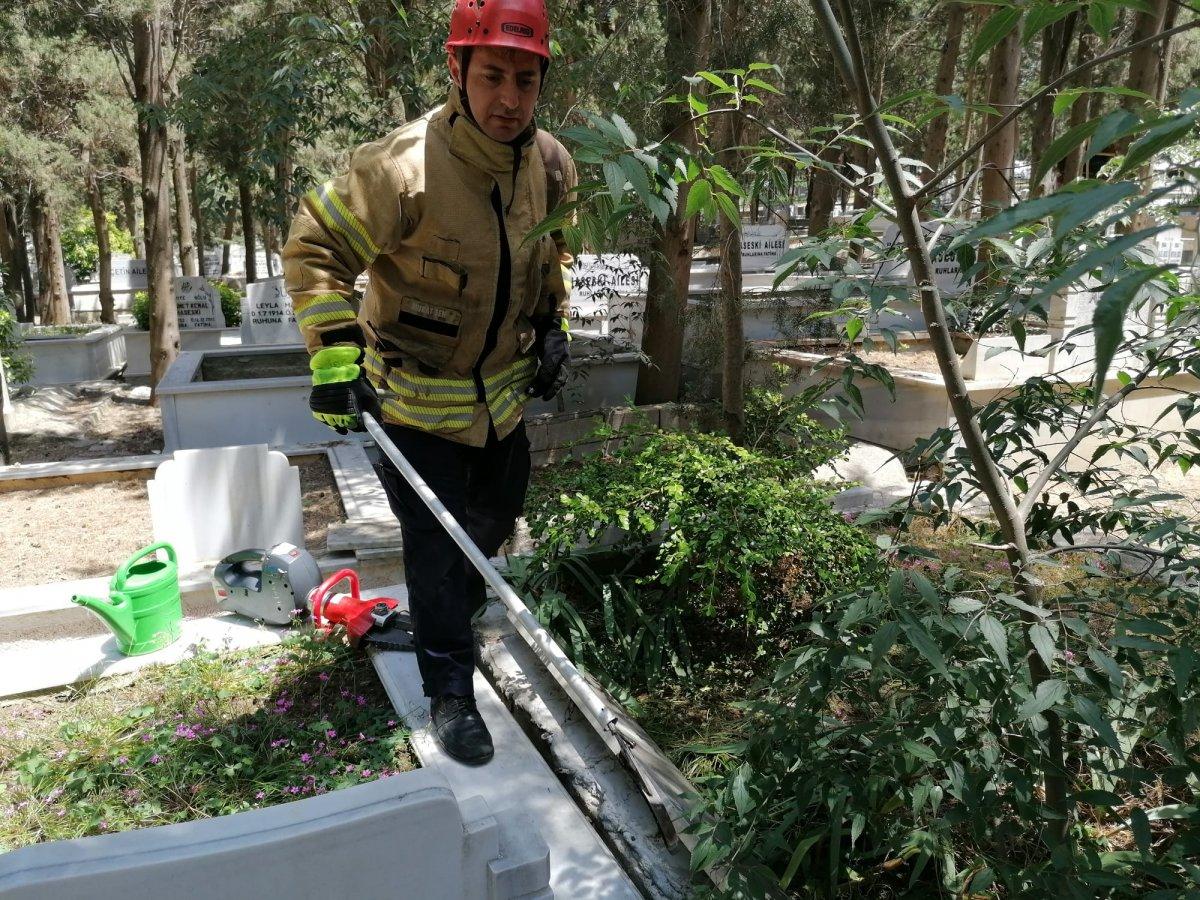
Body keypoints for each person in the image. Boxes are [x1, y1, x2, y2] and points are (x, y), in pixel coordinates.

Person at [283, 0, 576, 765]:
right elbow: (314, 250)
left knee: (491, 529)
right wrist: (334, 355)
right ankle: (449, 690)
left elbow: (552, 260)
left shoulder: (550, 165)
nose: (508, 99)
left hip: (502, 407)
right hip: (412, 408)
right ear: (456, 71)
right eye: (491, 77)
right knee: (438, 552)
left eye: (524, 79)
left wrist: (553, 329)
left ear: (541, 79)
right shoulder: (400, 169)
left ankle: (449, 619)